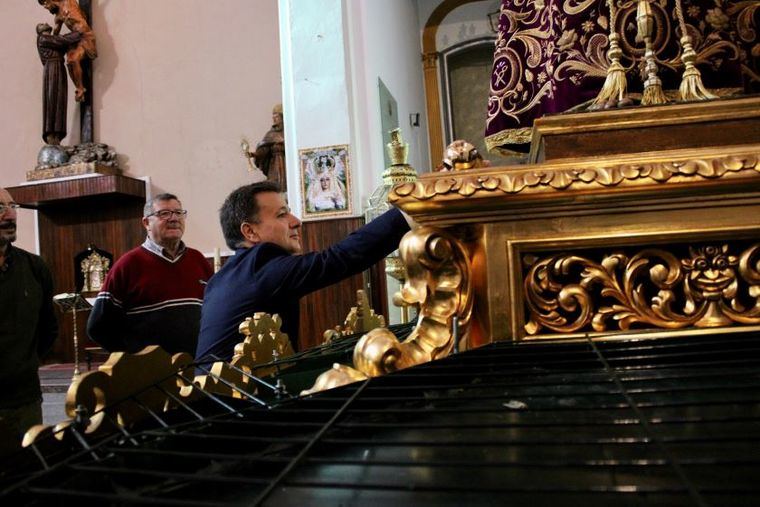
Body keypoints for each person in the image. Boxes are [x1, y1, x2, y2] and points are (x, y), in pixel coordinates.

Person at [196, 181, 411, 361]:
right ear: (250, 231)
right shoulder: (260, 265)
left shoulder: (221, 279)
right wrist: (411, 209)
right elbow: (338, 259)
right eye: (282, 215)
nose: (296, 222)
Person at [87, 193, 213, 355]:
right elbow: (97, 327)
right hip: (152, 374)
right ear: (146, 223)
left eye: (178, 213)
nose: (174, 218)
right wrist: (133, 358)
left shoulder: (198, 260)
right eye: (164, 213)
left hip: (198, 366)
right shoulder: (128, 265)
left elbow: (215, 312)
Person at [0, 187, 58, 442]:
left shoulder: (34, 267)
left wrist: (24, 364)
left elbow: (48, 329)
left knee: (28, 471)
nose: (10, 214)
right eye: (0, 208)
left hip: (24, 399)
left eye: (13, 206)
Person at [38, 0, 98, 102]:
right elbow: (55, 36)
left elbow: (82, 25)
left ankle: (80, 90)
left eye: (45, 3)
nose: (45, 7)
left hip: (85, 36)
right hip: (75, 39)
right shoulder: (58, 16)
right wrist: (46, 44)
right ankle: (80, 88)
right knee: (70, 61)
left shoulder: (69, 2)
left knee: (74, 59)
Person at [36, 23, 81, 145]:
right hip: (52, 69)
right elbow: (62, 40)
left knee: (59, 99)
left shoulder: (50, 40)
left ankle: (58, 133)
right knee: (52, 100)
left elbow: (62, 44)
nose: (45, 23)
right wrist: (79, 32)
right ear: (40, 30)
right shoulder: (43, 38)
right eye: (41, 24)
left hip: (58, 68)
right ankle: (51, 134)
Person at [251, 104, 286, 192]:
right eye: (273, 117)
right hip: (275, 165)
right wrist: (255, 154)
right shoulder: (271, 134)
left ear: (282, 117)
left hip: (287, 163)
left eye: (276, 117)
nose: (274, 119)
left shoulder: (289, 132)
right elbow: (264, 149)